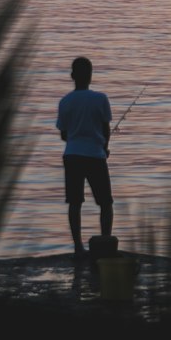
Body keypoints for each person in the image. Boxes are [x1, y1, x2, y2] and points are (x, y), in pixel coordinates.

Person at [56, 56, 113, 258]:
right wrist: (104, 147)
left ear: (72, 76)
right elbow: (106, 130)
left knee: (74, 202)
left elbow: (64, 134)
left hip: (72, 155)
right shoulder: (100, 99)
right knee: (105, 203)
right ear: (91, 75)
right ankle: (106, 241)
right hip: (95, 156)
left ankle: (78, 246)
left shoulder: (64, 102)